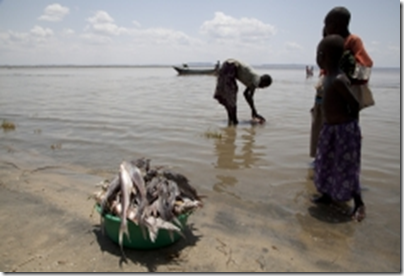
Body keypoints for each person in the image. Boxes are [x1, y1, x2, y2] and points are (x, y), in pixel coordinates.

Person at [312, 34, 365, 222]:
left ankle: (358, 203)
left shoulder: (339, 79)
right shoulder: (327, 78)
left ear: (323, 55)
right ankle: (327, 194)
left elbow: (355, 104)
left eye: (318, 55)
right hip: (330, 129)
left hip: (344, 130)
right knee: (324, 162)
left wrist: (353, 130)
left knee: (347, 166)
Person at [324, 6, 375, 110]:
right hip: (332, 90)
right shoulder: (332, 42)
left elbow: (365, 65)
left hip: (347, 91)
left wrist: (344, 76)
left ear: (336, 25)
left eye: (327, 24)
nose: (325, 28)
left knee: (346, 118)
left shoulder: (352, 40)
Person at [213, 59, 272, 126]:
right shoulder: (257, 80)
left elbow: (246, 94)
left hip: (228, 65)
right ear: (264, 82)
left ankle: (232, 122)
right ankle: (233, 121)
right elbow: (249, 96)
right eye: (264, 86)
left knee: (229, 96)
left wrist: (253, 111)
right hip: (231, 66)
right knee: (231, 94)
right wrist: (254, 112)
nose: (262, 88)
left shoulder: (255, 79)